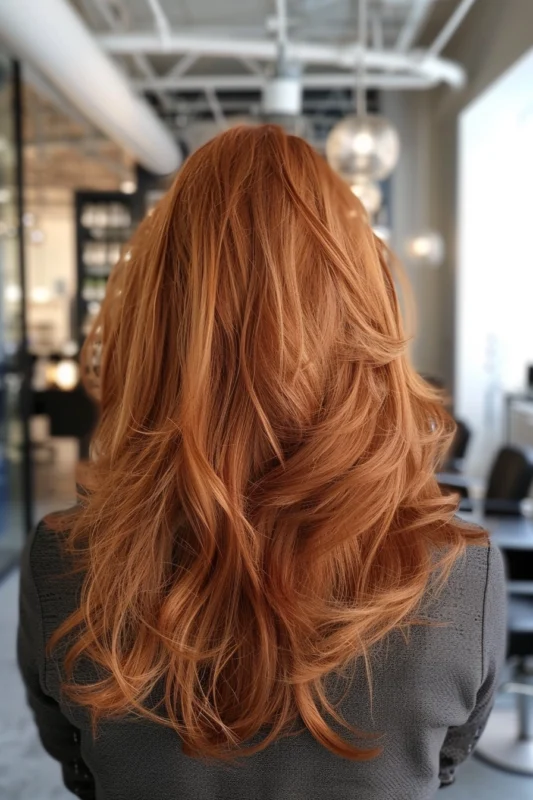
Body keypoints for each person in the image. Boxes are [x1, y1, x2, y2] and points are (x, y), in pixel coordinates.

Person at [18, 125, 505, 800]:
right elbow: (442, 767)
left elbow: (80, 768)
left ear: (155, 325)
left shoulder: (62, 562)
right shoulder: (461, 572)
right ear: (362, 318)